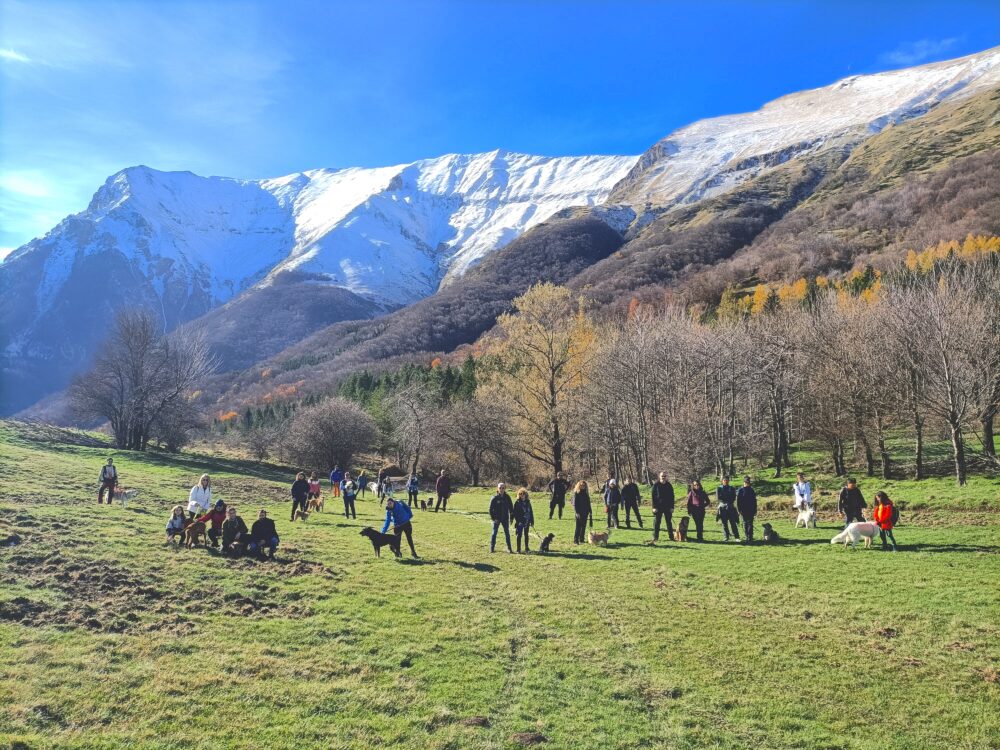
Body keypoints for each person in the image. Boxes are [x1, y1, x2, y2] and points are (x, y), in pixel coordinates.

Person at [488, 483, 515, 553]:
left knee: (507, 533)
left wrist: (511, 518)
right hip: (497, 519)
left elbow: (511, 508)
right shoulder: (494, 498)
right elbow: (490, 510)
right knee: (494, 533)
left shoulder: (507, 497)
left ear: (505, 489)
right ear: (497, 489)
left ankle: (509, 548)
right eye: (500, 488)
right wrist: (494, 519)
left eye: (503, 488)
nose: (501, 489)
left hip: (505, 518)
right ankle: (492, 548)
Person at [651, 472, 675, 542]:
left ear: (666, 477)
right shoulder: (656, 485)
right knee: (657, 523)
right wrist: (654, 507)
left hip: (667, 507)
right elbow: (653, 497)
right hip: (658, 507)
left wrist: (672, 507)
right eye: (662, 476)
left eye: (664, 476)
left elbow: (672, 497)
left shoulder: (669, 485)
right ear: (659, 476)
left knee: (669, 522)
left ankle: (671, 537)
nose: (663, 477)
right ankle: (655, 537)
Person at [716, 476, 740, 541]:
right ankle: (726, 537)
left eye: (727, 480)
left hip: (730, 507)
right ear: (722, 481)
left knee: (733, 523)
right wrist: (727, 499)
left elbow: (733, 497)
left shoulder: (732, 488)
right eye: (724, 480)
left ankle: (737, 537)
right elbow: (719, 498)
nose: (726, 481)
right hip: (722, 507)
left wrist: (727, 499)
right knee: (724, 523)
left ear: (728, 481)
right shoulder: (719, 488)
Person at [513, 488, 535, 553]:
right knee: (519, 535)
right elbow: (515, 513)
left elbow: (531, 512)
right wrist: (518, 521)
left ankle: (526, 548)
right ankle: (518, 549)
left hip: (527, 521)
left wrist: (532, 521)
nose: (522, 495)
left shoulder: (528, 502)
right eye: (520, 494)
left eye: (523, 494)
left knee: (526, 535)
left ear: (526, 494)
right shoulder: (517, 503)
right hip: (520, 522)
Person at [736, 475, 758, 542]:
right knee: (746, 523)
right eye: (746, 482)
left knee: (750, 523)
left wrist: (755, 509)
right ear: (744, 482)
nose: (747, 483)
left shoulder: (751, 490)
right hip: (744, 509)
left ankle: (750, 537)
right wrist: (739, 510)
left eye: (748, 482)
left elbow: (754, 501)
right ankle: (747, 536)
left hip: (750, 509)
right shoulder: (741, 490)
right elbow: (738, 501)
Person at [572, 481, 593, 545]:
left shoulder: (586, 493)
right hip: (579, 512)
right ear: (579, 485)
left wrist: (590, 511)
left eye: (584, 485)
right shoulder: (576, 493)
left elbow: (588, 503)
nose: (583, 486)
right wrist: (577, 512)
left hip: (585, 512)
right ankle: (576, 540)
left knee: (583, 526)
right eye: (581, 485)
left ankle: (581, 539)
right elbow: (575, 504)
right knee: (578, 527)